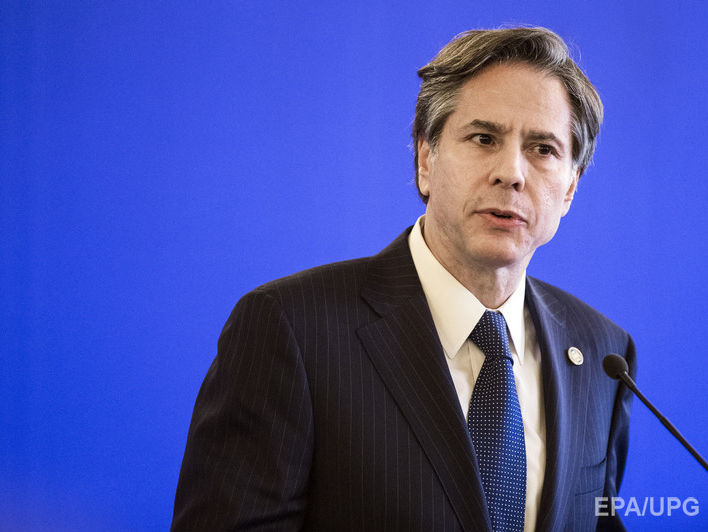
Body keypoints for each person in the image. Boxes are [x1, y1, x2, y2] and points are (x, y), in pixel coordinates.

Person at [172, 27, 635, 531]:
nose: (512, 173)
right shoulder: (293, 330)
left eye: (543, 149)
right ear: (425, 158)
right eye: (484, 139)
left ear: (570, 188)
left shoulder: (602, 352)